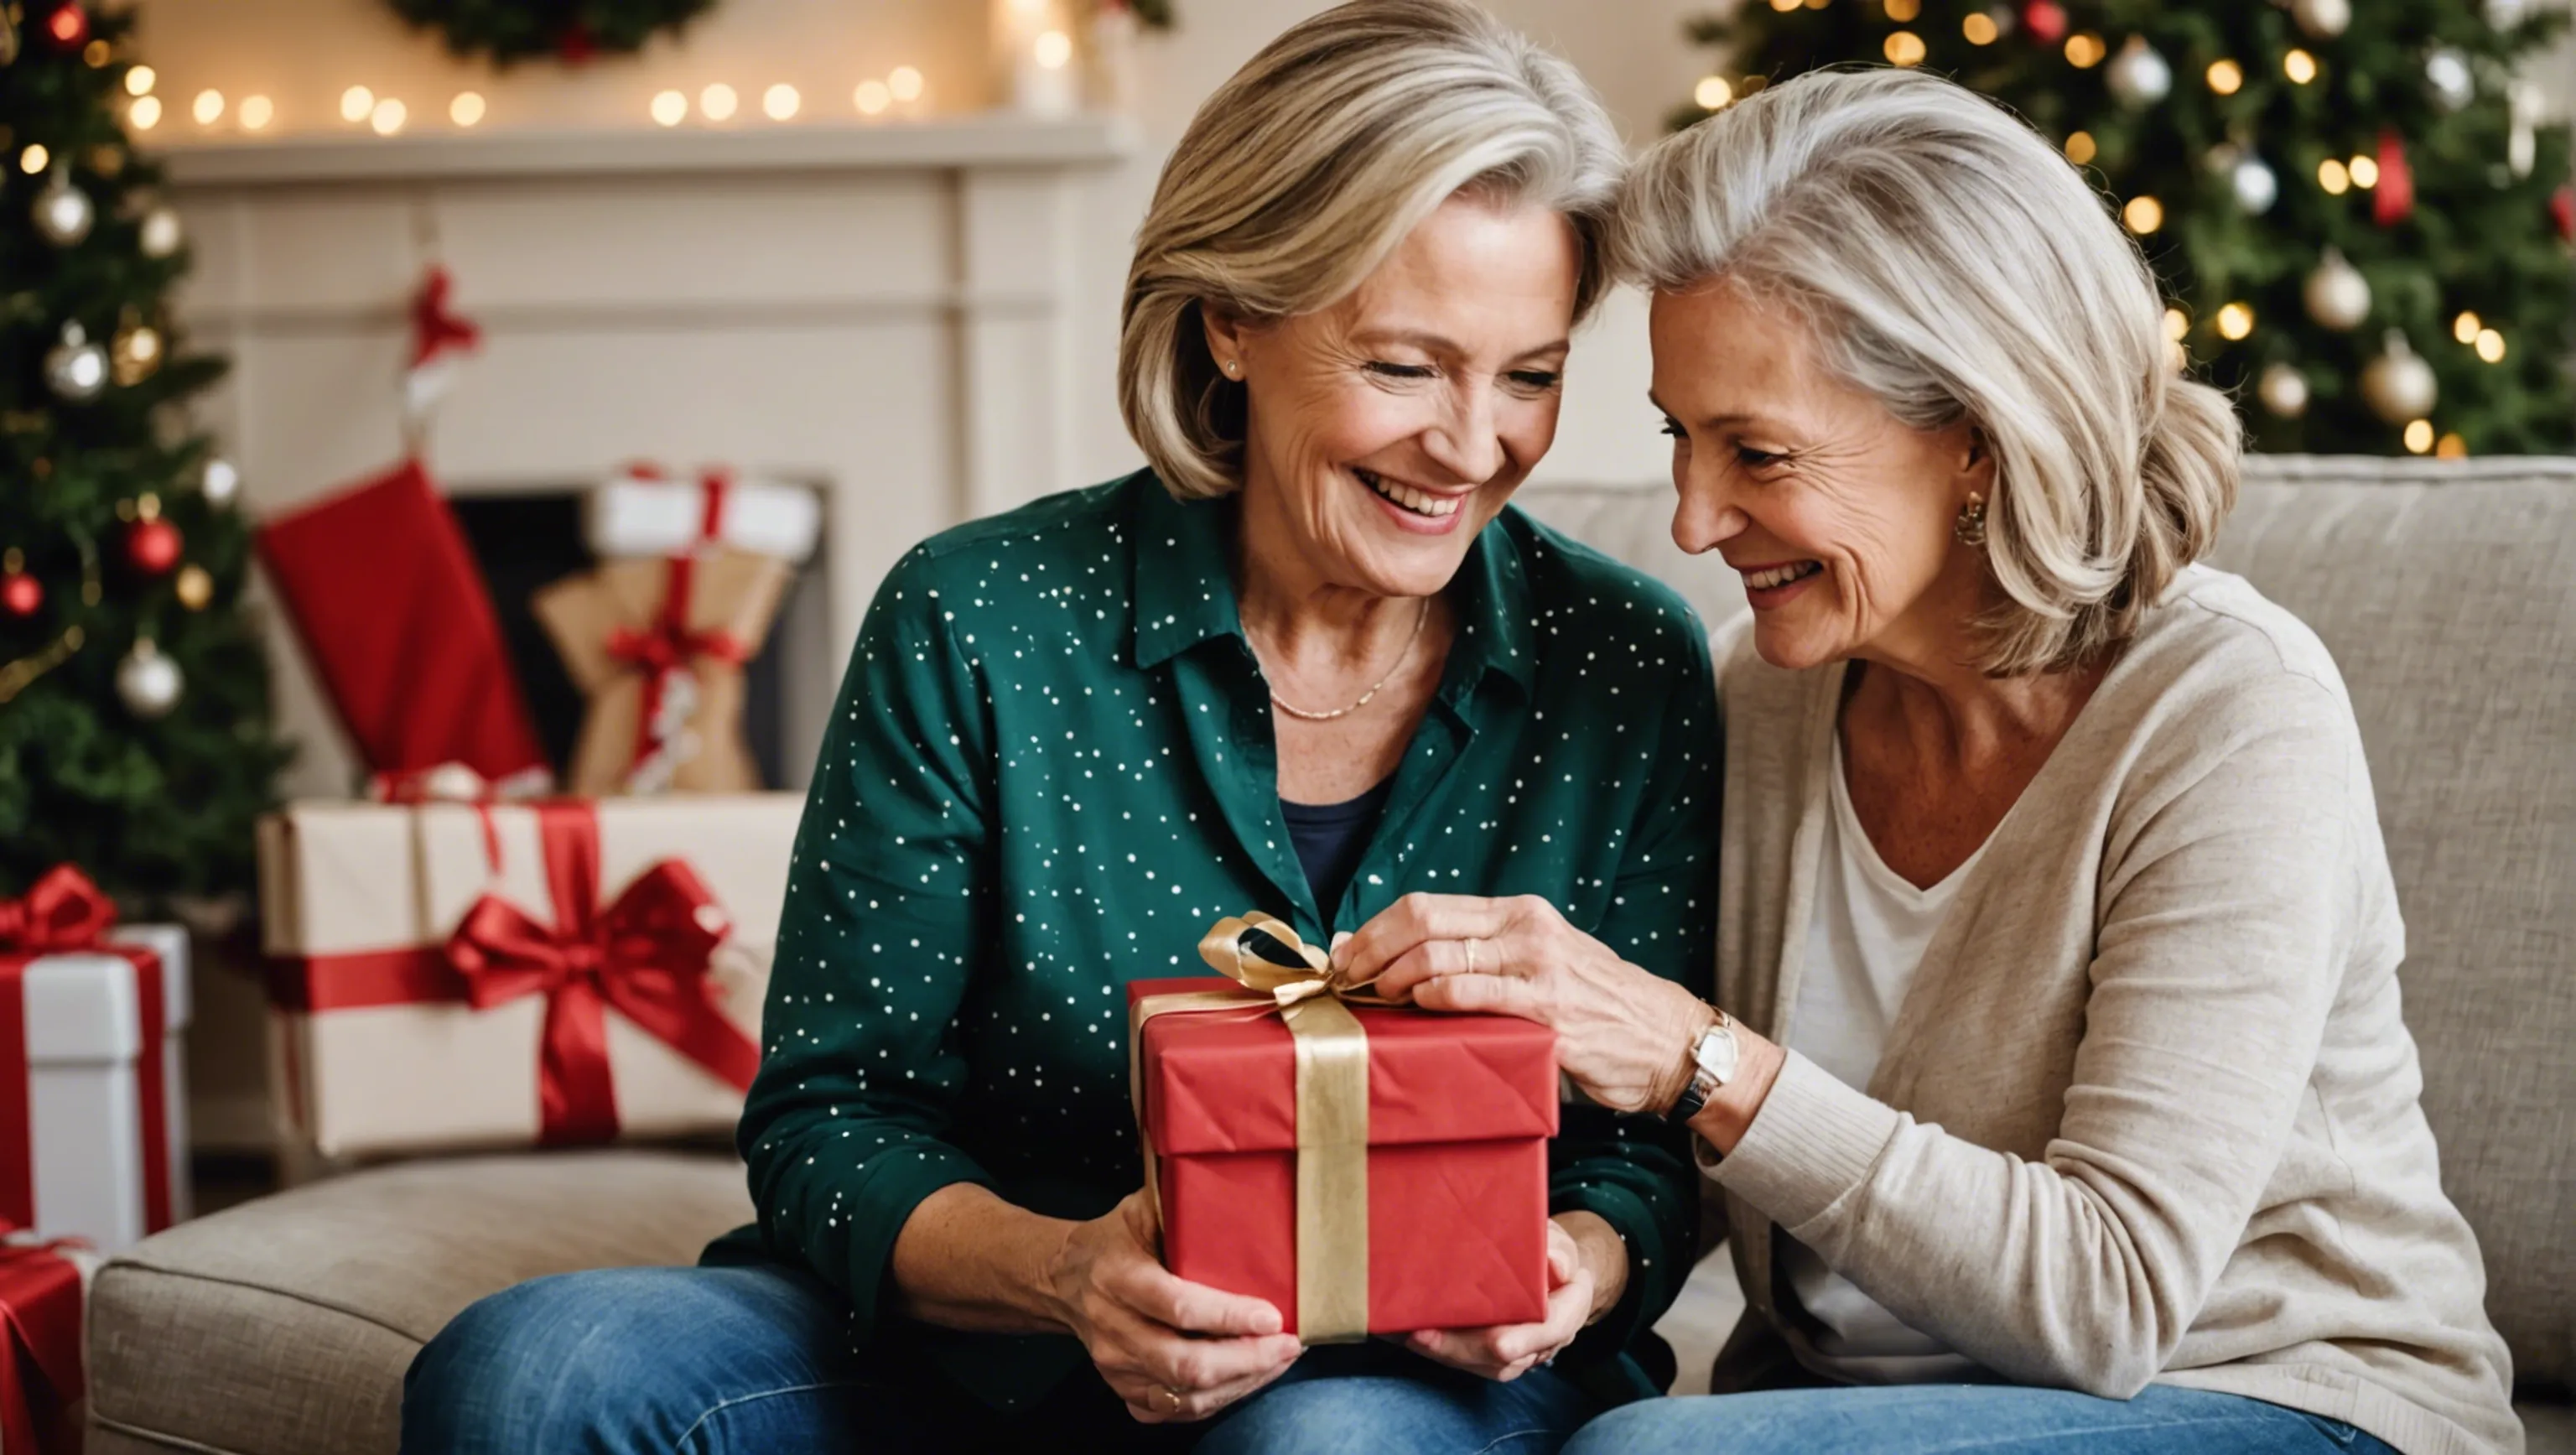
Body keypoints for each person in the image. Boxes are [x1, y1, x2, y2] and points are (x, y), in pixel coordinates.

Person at [402, 3, 1718, 1452]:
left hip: (1416, 1380)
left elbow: (1638, 1155)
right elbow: (831, 1117)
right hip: (984, 1346)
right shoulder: (979, 620)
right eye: (1404, 367)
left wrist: (1570, 1271)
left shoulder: (1624, 662)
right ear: (1233, 317)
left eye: (1528, 375)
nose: (1475, 448)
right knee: (532, 1375)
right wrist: (1067, 1275)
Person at [1337, 68, 2521, 1455]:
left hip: (2278, 1397)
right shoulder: (1769, 690)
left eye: (1757, 453)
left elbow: (2111, 1296)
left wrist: (1692, 1052)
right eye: (1680, 436)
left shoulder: (2228, 715)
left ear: (1974, 436)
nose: (1694, 516)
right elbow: (1740, 1163)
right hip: (1843, 1412)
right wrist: (1583, 1257)